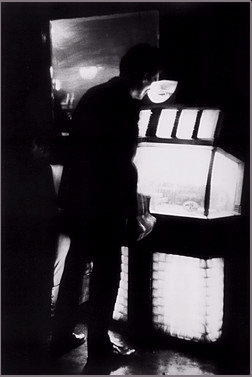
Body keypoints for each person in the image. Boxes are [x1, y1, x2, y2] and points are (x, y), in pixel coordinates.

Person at [51, 43, 160, 366]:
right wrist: (132, 211)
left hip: (78, 201)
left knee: (75, 268)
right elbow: (119, 164)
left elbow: (78, 153)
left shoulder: (94, 95)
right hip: (105, 206)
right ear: (145, 75)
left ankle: (61, 336)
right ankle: (99, 345)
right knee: (107, 273)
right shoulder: (124, 105)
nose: (155, 82)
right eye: (154, 76)